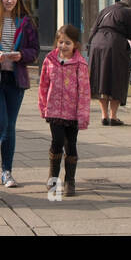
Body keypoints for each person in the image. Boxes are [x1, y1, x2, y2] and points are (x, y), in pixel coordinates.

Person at [0, 0, 39, 188]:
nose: (10, 1)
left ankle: (7, 172)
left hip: (16, 79)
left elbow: (34, 50)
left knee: (10, 126)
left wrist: (21, 55)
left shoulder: (25, 21)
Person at [37, 24, 90, 196]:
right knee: (57, 142)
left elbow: (84, 91)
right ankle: (53, 178)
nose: (63, 46)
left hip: (72, 112)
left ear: (75, 45)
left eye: (68, 43)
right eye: (61, 42)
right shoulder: (49, 60)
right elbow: (43, 85)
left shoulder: (80, 64)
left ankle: (70, 181)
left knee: (71, 145)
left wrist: (83, 114)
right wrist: (43, 105)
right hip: (54, 111)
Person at [87, 0, 131, 125]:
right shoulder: (129, 12)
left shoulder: (106, 9)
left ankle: (104, 116)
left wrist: (90, 47)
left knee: (100, 80)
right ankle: (113, 116)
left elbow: (93, 29)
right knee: (117, 79)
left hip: (96, 43)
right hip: (115, 44)